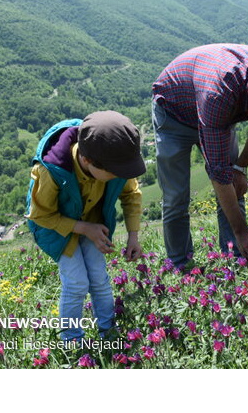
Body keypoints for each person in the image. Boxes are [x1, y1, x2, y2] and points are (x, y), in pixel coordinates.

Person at [151, 43, 248, 270]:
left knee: (235, 185)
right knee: (176, 198)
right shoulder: (218, 94)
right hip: (174, 113)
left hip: (216, 114)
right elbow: (219, 173)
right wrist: (242, 230)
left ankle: (234, 259)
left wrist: (240, 169)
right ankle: (180, 266)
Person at [25, 111, 145, 341]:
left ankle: (108, 331)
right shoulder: (51, 170)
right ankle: (71, 340)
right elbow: (39, 215)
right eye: (113, 174)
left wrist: (133, 236)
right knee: (77, 283)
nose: (119, 176)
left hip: (91, 224)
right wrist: (82, 228)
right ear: (86, 160)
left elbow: (131, 194)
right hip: (55, 229)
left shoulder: (114, 161)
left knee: (99, 279)